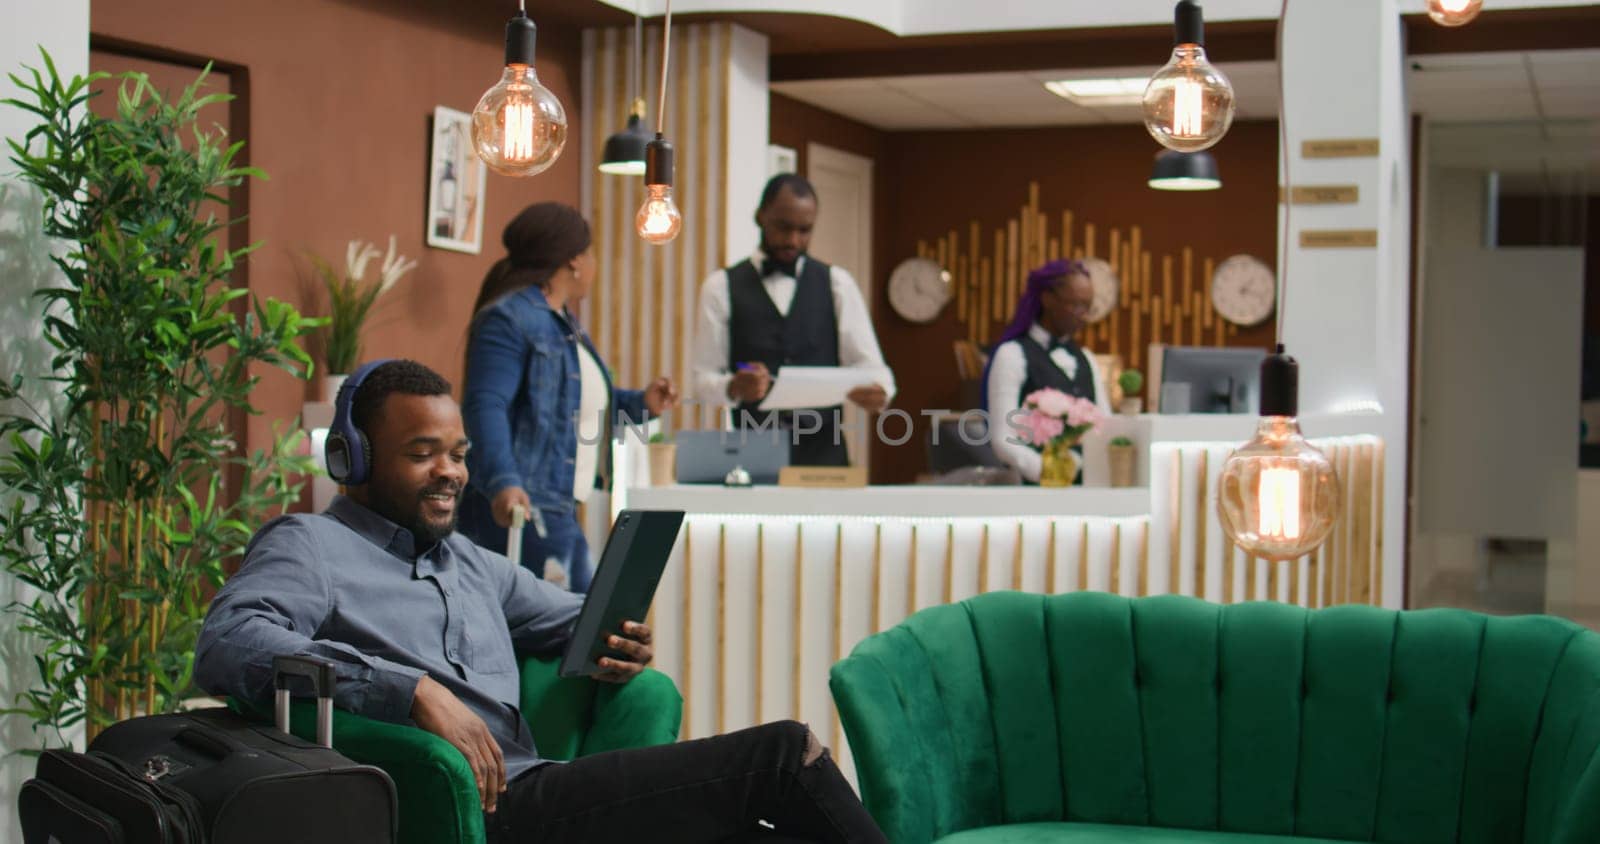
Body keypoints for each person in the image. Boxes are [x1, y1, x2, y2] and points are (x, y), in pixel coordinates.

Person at [194, 360, 886, 843]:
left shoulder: (470, 562)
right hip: (485, 812)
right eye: (422, 453)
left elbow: (577, 616)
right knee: (783, 754)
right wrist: (412, 691)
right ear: (355, 461)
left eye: (458, 453)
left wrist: (619, 638)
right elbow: (228, 643)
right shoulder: (310, 544)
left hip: (547, 788)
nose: (451, 473)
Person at [458, 203, 678, 592]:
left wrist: (643, 404)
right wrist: (504, 482)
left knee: (575, 629)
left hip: (555, 506)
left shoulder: (563, 323)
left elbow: (569, 412)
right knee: (577, 631)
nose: (594, 264)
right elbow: (484, 405)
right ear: (575, 260)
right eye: (591, 253)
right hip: (522, 508)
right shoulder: (510, 319)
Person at [690, 174, 895, 467]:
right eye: (784, 228)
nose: (793, 240)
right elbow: (703, 380)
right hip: (753, 458)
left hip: (826, 461)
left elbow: (878, 373)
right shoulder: (720, 287)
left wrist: (879, 394)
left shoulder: (837, 284)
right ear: (761, 217)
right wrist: (734, 387)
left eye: (805, 230)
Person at [983, 259, 1113, 483]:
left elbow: (1106, 424)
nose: (1082, 315)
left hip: (1086, 486)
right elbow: (1003, 438)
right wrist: (1047, 472)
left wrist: (1074, 466)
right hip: (1030, 489)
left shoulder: (1087, 359)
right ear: (1048, 299)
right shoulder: (1012, 354)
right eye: (1076, 305)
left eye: (1087, 307)